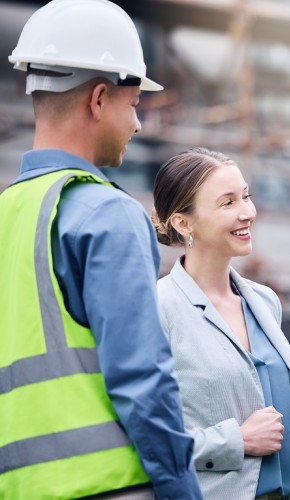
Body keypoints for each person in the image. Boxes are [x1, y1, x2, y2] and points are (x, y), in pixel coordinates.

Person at [0, 1, 203, 499]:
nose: (137, 125)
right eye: (134, 105)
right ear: (97, 99)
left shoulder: (7, 211)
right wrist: (182, 488)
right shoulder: (106, 212)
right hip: (108, 485)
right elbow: (143, 381)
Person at [151, 147, 290, 500]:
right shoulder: (158, 306)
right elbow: (146, 438)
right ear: (184, 223)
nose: (248, 213)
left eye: (246, 196)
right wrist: (236, 441)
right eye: (227, 203)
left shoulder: (265, 302)